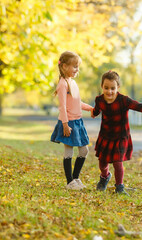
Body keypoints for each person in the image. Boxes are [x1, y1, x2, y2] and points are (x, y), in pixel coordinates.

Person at [91, 70, 142, 195]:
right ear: (102, 86)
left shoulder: (124, 101)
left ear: (118, 87)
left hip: (120, 136)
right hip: (105, 136)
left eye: (113, 88)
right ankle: (105, 177)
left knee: (118, 162)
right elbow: (96, 110)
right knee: (102, 162)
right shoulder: (99, 100)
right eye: (106, 88)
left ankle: (119, 187)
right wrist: (94, 113)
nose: (109, 91)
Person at [50, 51, 93, 190]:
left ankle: (75, 178)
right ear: (63, 67)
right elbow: (62, 106)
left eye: (78, 66)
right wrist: (65, 124)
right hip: (68, 122)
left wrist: (91, 109)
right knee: (69, 151)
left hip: (78, 122)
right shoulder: (63, 84)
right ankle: (70, 182)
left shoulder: (73, 83)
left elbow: (77, 103)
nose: (77, 69)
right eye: (74, 66)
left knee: (84, 151)